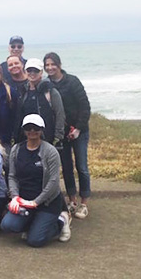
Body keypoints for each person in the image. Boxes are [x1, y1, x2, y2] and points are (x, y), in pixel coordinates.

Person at [0, 114, 71, 247]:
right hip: (24, 200)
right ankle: (34, 223)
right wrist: (15, 197)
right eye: (28, 127)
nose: (32, 131)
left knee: (35, 240)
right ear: (24, 130)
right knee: (7, 225)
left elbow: (54, 182)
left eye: (36, 128)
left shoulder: (50, 152)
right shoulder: (16, 150)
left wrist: (36, 202)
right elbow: (12, 176)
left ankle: (61, 221)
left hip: (47, 203)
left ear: (42, 129)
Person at [44, 52, 91, 219]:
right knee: (67, 167)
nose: (50, 67)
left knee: (82, 167)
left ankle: (84, 203)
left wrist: (78, 129)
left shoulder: (72, 81)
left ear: (59, 65)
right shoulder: (46, 85)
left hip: (79, 131)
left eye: (52, 64)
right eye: (47, 65)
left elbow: (85, 106)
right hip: (60, 133)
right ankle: (72, 201)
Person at [15, 58, 65, 146]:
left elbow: (59, 114)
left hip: (47, 138)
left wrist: (58, 137)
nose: (32, 73)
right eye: (29, 70)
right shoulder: (22, 91)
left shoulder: (50, 91)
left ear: (41, 72)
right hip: (26, 138)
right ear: (25, 71)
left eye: (36, 71)